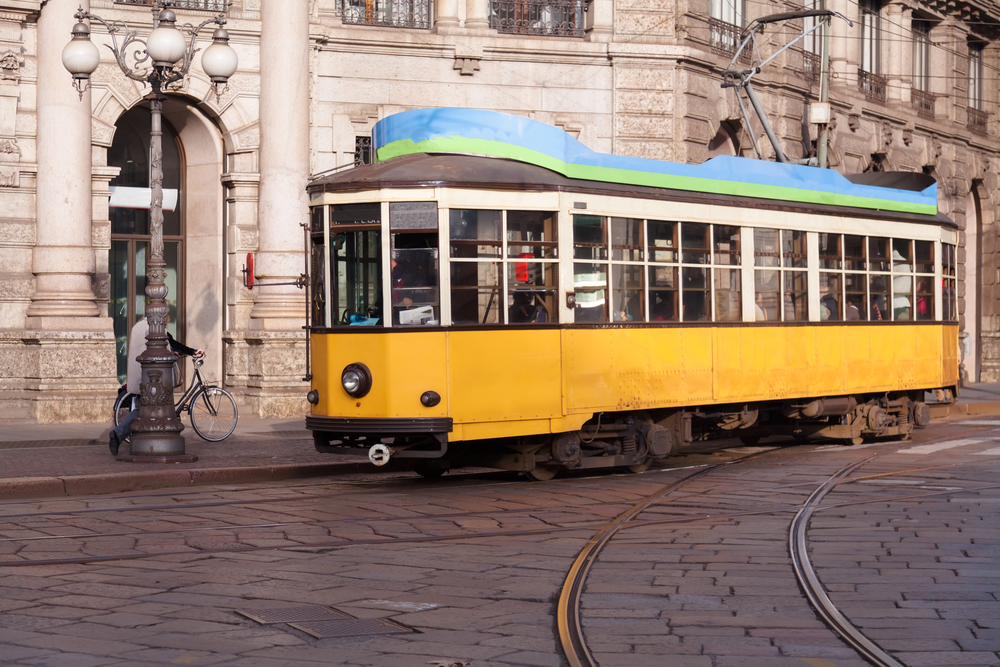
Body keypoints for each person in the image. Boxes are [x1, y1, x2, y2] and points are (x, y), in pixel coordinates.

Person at [109, 317, 202, 456]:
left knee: (144, 409)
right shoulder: (157, 327)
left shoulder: (137, 327)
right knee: (148, 409)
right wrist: (192, 351)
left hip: (138, 374)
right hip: (152, 376)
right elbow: (173, 343)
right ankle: (122, 434)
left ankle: (122, 434)